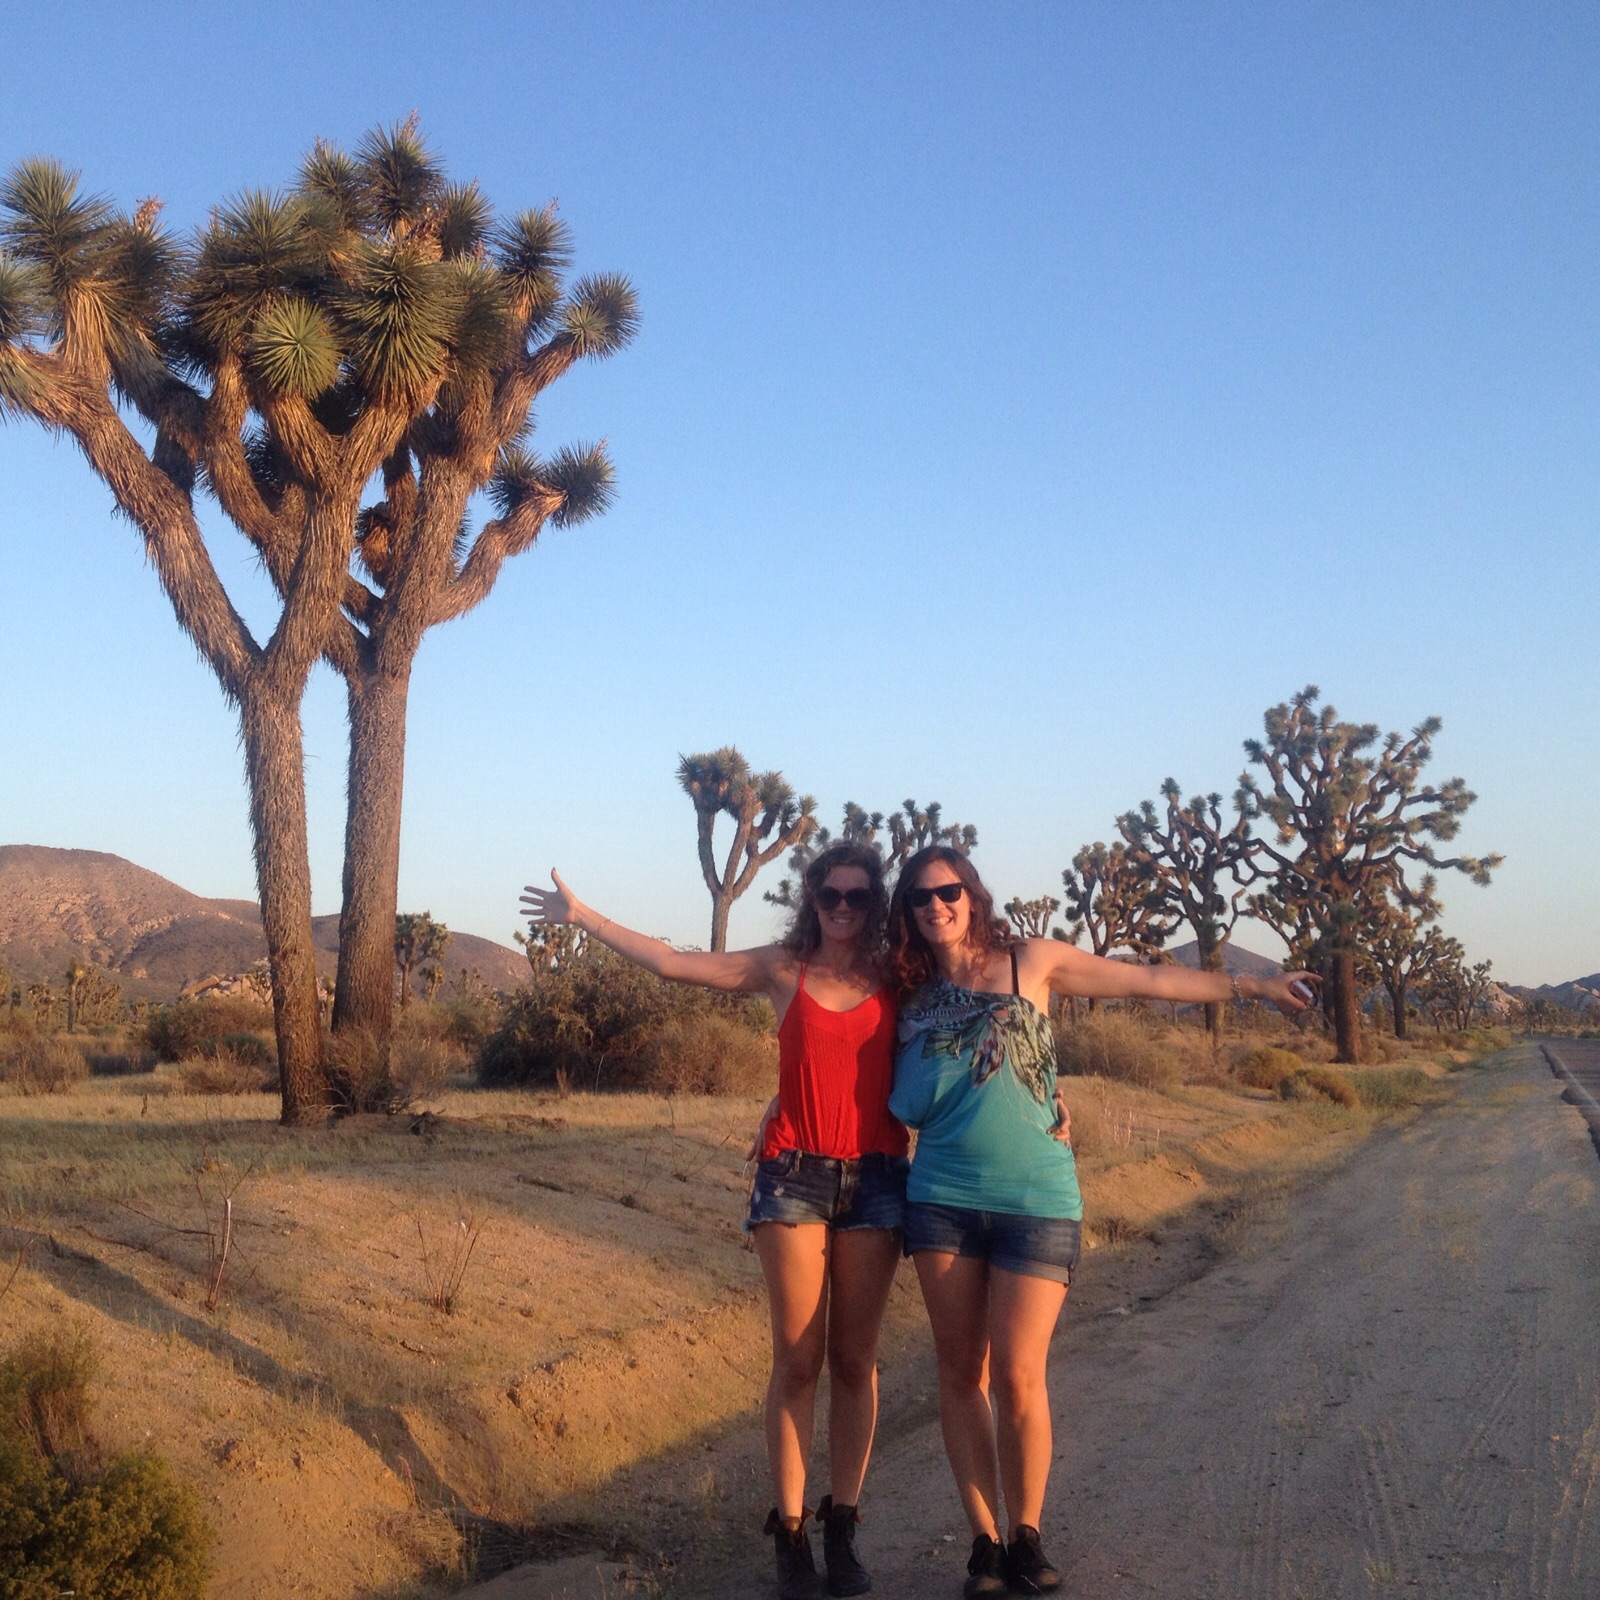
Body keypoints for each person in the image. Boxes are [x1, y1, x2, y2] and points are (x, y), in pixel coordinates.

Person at [885, 845, 1316, 1598]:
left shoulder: (1033, 961)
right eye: (920, 898)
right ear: (907, 911)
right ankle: (983, 1541)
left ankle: (1027, 1534)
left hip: (1038, 1198)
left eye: (948, 891)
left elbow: (1146, 979)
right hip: (941, 1198)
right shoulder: (907, 993)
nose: (936, 906)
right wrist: (775, 1106)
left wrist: (1255, 985)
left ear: (971, 894)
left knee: (1019, 1374)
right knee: (962, 1373)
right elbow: (839, 1049)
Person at [521, 843, 907, 1600]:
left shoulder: (899, 978)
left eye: (857, 897)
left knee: (855, 1363)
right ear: (812, 898)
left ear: (875, 904)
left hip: (879, 1179)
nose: (841, 907)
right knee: (798, 1360)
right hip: (794, 1174)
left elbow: (976, 1021)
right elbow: (671, 963)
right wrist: (583, 917)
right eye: (829, 893)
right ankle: (791, 1533)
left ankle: (844, 1525)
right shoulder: (780, 968)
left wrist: (1042, 1094)